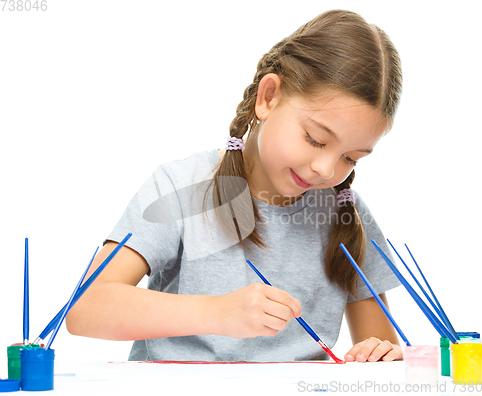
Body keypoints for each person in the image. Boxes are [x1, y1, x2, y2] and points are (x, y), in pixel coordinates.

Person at [66, 9, 404, 363]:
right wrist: (218, 313)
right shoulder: (181, 186)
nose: (325, 169)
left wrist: (381, 354)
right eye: (316, 139)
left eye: (351, 158)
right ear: (268, 97)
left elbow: (379, 347)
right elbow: (85, 308)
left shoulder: (344, 212)